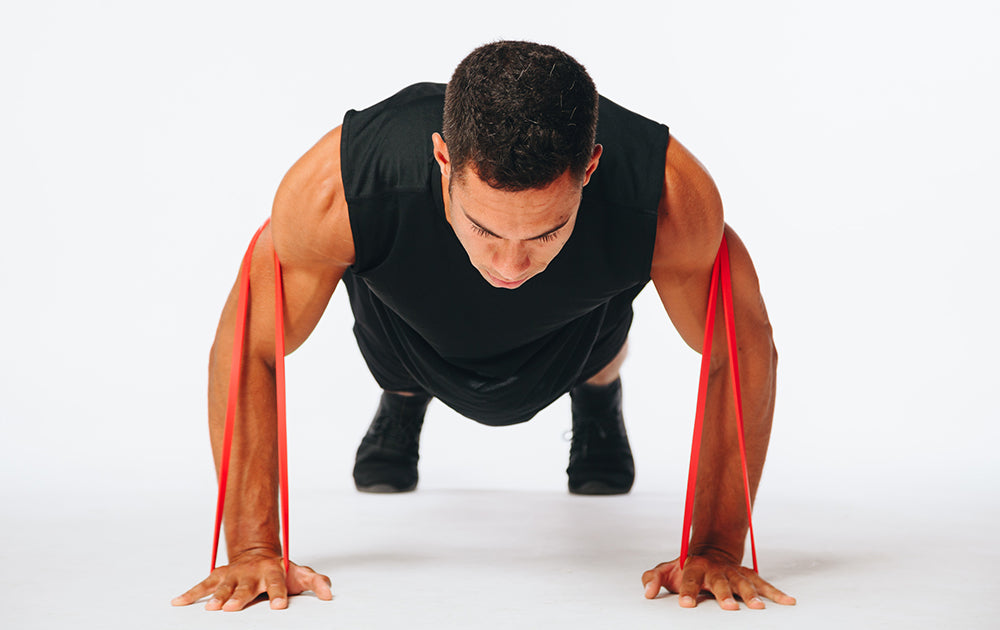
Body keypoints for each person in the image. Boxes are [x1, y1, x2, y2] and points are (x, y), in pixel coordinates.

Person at [172, 41, 795, 613]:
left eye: (545, 231)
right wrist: (252, 549)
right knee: (389, 327)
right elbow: (252, 345)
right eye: (486, 228)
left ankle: (599, 391)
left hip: (575, 332)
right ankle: (404, 398)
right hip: (408, 329)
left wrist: (716, 548)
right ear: (443, 157)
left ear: (592, 167)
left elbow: (739, 349)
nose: (509, 265)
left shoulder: (666, 196)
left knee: (601, 327)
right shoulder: (341, 187)